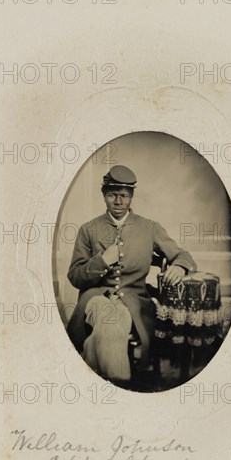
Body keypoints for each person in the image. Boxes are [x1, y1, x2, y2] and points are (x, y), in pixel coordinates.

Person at [66, 165, 197, 385]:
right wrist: (103, 260)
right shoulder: (88, 229)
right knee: (109, 322)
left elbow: (183, 256)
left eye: (124, 196)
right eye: (112, 195)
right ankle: (120, 384)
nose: (118, 201)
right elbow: (75, 276)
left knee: (108, 331)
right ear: (104, 196)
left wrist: (180, 267)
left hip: (134, 302)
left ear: (131, 197)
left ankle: (93, 369)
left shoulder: (149, 228)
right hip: (95, 299)